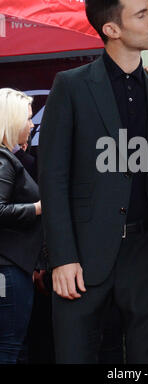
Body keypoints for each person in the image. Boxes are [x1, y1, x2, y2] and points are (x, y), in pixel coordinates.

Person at [38, 0, 148, 364]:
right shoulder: (72, 85)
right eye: (143, 14)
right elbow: (53, 176)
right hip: (83, 257)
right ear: (111, 28)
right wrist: (61, 257)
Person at [0, 88, 43, 364]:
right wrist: (40, 207)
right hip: (8, 268)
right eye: (27, 119)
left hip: (13, 267)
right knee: (9, 348)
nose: (32, 125)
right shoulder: (3, 160)